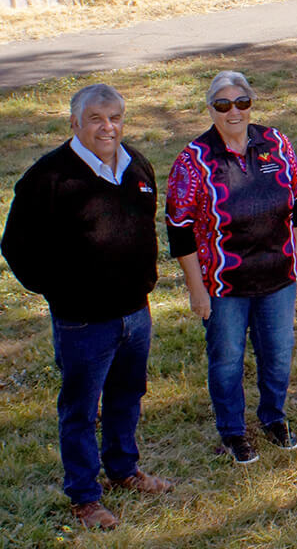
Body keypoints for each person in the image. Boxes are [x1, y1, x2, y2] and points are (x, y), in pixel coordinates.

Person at [1, 84, 172, 529]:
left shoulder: (137, 165)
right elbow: (16, 247)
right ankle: (84, 496)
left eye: (114, 117)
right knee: (80, 409)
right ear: (74, 123)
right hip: (82, 321)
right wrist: (62, 292)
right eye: (96, 118)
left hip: (136, 311)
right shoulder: (49, 179)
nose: (107, 126)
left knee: (127, 396)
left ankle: (123, 469)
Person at [166, 71, 297, 464]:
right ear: (210, 109)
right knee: (227, 358)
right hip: (224, 283)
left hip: (278, 277)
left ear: (251, 105)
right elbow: (179, 231)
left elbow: (296, 201)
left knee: (278, 354)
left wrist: (293, 257)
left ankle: (274, 418)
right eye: (223, 105)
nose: (234, 112)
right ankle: (232, 431)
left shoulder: (275, 143)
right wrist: (197, 289)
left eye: (241, 103)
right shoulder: (193, 160)